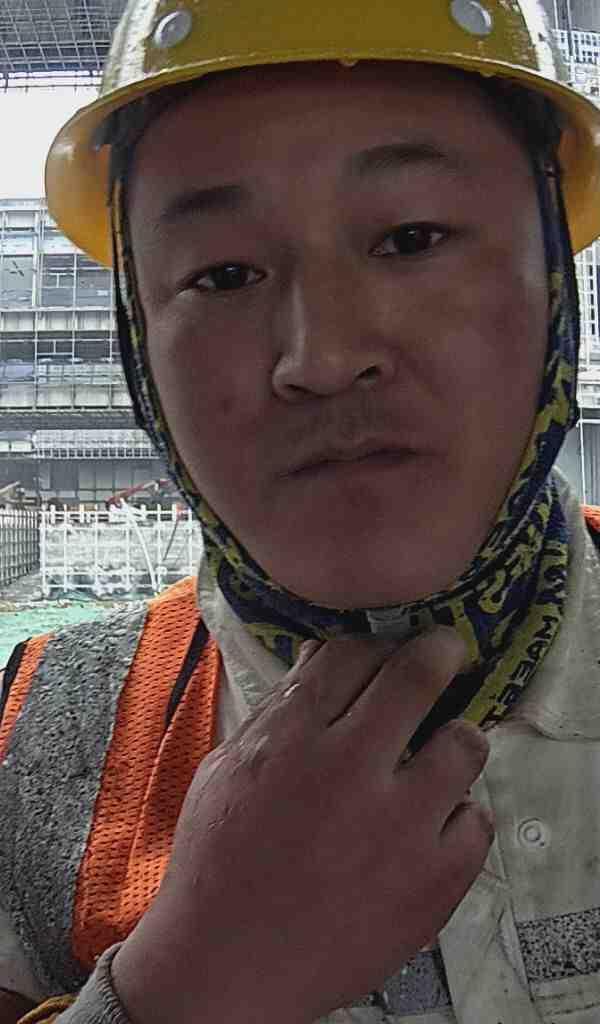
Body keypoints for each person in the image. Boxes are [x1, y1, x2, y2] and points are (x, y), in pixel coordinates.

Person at [2, 0, 600, 1020]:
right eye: (225, 274)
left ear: (551, 284)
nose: (320, 357)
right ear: (140, 335)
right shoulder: (32, 738)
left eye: (411, 238)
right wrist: (183, 986)